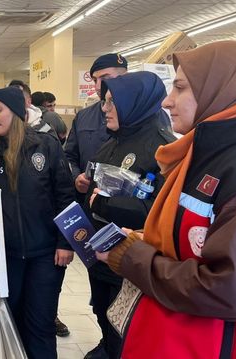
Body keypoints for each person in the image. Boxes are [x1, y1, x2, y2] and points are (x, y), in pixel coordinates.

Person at [97, 41, 236, 358]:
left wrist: (134, 257)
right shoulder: (204, 154)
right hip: (175, 338)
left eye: (180, 88)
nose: (167, 101)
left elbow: (228, 291)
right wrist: (146, 240)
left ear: (222, 89)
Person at [0, 86, 76, 358]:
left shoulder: (46, 146)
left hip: (45, 254)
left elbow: (65, 196)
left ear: (16, 112)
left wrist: (65, 242)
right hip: (4, 257)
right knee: (12, 322)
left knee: (41, 324)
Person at [83, 71, 176, 359]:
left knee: (127, 334)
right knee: (104, 317)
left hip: (133, 264)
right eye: (105, 101)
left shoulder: (164, 149)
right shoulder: (112, 142)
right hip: (100, 258)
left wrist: (105, 205)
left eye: (112, 102)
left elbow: (161, 214)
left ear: (133, 103)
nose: (104, 109)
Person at [64, 54, 128, 202]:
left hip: (121, 206)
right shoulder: (83, 116)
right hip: (86, 200)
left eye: (105, 79)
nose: (98, 86)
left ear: (125, 77)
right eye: (94, 80)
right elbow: (69, 156)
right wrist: (76, 178)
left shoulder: (142, 117)